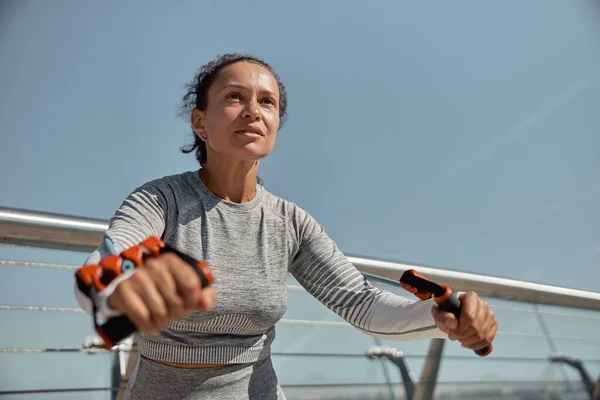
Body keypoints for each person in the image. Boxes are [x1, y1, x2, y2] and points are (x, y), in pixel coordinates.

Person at [74, 53, 498, 399]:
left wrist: (443, 313)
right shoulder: (160, 200)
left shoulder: (290, 222)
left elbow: (362, 303)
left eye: (267, 102)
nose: (253, 112)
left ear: (276, 124)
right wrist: (119, 289)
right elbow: (107, 262)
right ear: (200, 122)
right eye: (235, 97)